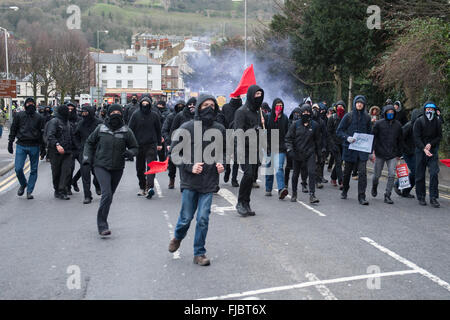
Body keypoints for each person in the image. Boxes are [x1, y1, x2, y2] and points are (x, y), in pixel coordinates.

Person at [168, 94, 225, 266]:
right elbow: (174, 155)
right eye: (205, 105)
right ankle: (178, 236)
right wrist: (190, 166)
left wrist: (222, 164)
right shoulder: (186, 127)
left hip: (209, 181)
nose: (209, 108)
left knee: (203, 218)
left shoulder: (220, 129)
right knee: (186, 218)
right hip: (190, 181)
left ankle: (199, 253)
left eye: (212, 105)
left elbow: (225, 151)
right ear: (198, 107)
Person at [83, 104, 138, 236]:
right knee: (106, 194)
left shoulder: (126, 131)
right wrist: (86, 158)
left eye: (118, 112)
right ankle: (102, 225)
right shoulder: (100, 128)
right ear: (108, 114)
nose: (115, 114)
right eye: (112, 112)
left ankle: (103, 217)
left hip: (117, 168)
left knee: (109, 197)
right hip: (100, 165)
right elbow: (89, 143)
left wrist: (130, 153)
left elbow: (135, 147)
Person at [234, 84, 264, 217]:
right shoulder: (241, 111)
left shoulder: (257, 112)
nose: (259, 97)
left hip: (254, 148)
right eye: (256, 94)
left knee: (252, 176)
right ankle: (240, 202)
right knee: (247, 174)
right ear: (251, 95)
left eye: (260, 94)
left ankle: (247, 203)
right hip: (243, 148)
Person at [337, 95, 372, 205]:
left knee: (362, 173)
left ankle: (362, 196)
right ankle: (345, 189)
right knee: (347, 173)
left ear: (364, 105)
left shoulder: (367, 118)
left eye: (361, 103)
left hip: (362, 151)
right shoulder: (348, 116)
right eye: (358, 102)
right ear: (354, 104)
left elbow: (370, 134)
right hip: (349, 149)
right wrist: (347, 137)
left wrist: (371, 151)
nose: (359, 104)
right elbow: (339, 131)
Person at [8, 97, 45, 199]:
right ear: (25, 105)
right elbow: (13, 129)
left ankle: (29, 191)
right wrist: (10, 142)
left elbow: (42, 134)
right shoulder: (19, 116)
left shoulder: (39, 118)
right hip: (21, 145)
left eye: (32, 103)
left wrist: (43, 148)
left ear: (35, 105)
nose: (30, 105)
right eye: (28, 103)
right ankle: (23, 183)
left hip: (34, 146)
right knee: (18, 168)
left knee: (33, 170)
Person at [285, 104, 321, 204]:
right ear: (301, 113)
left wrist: (320, 155)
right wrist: (290, 150)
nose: (306, 114)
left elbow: (318, 141)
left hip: (310, 153)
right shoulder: (295, 125)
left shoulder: (315, 125)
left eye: (308, 112)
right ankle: (294, 193)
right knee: (295, 174)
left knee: (311, 173)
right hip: (297, 153)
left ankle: (312, 195)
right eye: (304, 112)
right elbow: (288, 139)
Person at [128, 96, 162, 199]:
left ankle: (149, 188)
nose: (145, 105)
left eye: (147, 103)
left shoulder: (155, 115)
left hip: (151, 144)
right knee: (140, 168)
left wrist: (159, 143)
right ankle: (142, 186)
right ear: (140, 103)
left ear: (150, 104)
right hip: (139, 145)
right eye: (143, 103)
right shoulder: (135, 115)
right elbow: (130, 129)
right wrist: (130, 144)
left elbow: (158, 130)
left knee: (151, 166)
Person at [371, 104, 403, 204]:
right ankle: (374, 186)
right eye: (388, 112)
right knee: (376, 175)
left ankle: (387, 195)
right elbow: (373, 138)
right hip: (380, 153)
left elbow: (400, 140)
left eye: (392, 112)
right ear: (385, 113)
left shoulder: (398, 125)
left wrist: (399, 154)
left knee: (392, 174)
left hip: (392, 154)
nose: (390, 114)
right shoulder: (378, 124)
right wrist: (372, 152)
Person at [413, 102, 442, 208]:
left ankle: (433, 197)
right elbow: (416, 137)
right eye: (428, 109)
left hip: (432, 151)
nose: (430, 111)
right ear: (424, 110)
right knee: (420, 175)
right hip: (421, 151)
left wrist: (431, 144)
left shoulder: (438, 122)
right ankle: (421, 196)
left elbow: (439, 137)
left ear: (435, 111)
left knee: (434, 173)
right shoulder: (419, 121)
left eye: (432, 109)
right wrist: (423, 148)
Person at [73, 105, 103, 204]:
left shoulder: (99, 123)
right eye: (83, 113)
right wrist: (79, 147)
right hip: (84, 152)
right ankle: (87, 196)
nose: (84, 115)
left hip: (97, 152)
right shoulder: (81, 124)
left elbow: (104, 136)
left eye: (86, 113)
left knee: (97, 172)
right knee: (85, 174)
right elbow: (75, 136)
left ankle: (97, 184)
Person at [46, 104, 75, 200]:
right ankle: (57, 190)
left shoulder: (68, 123)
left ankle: (62, 190)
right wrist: (57, 145)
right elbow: (50, 136)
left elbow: (72, 136)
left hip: (67, 151)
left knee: (66, 171)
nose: (69, 112)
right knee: (56, 172)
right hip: (55, 152)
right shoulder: (54, 122)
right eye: (67, 110)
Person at [394, 108, 422, 198]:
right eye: (418, 117)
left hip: (416, 153)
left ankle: (406, 191)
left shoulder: (421, 127)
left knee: (416, 173)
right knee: (416, 172)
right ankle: (398, 183)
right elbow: (400, 139)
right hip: (408, 153)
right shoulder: (408, 126)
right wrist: (403, 150)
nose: (420, 119)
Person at [264, 98, 289, 199]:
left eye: (281, 105)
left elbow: (288, 132)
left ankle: (281, 189)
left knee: (279, 168)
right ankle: (268, 188)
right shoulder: (268, 117)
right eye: (278, 105)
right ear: (274, 105)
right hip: (269, 146)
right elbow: (262, 130)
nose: (280, 107)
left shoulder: (285, 118)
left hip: (281, 147)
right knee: (269, 168)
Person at [162, 100, 185, 189]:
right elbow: (165, 130)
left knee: (184, 165)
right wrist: (169, 142)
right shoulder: (170, 117)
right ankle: (171, 180)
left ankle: (183, 182)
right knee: (172, 164)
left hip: (184, 144)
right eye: (178, 105)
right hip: (172, 143)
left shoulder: (187, 117)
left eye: (182, 105)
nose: (180, 107)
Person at [221, 96, 242, 187]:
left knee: (237, 159)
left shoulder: (242, 108)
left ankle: (234, 179)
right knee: (227, 156)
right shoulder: (226, 107)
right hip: (227, 134)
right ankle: (227, 170)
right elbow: (221, 119)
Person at [327, 101, 346, 189]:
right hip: (334, 144)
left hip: (344, 143)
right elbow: (329, 132)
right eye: (338, 106)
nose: (340, 108)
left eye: (342, 107)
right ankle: (341, 181)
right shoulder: (332, 118)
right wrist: (331, 144)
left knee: (340, 161)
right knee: (338, 161)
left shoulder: (346, 118)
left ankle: (333, 177)